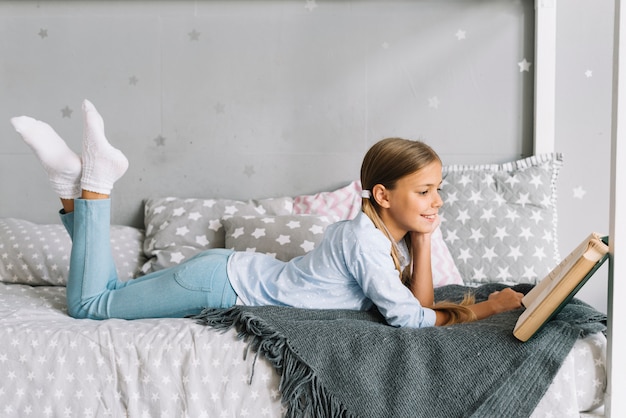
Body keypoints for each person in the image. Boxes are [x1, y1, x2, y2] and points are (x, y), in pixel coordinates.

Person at [10, 100, 523, 327]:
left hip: (224, 274)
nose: (438, 201)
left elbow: (419, 301)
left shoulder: (374, 233)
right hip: (220, 284)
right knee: (90, 308)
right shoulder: (364, 240)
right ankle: (95, 184)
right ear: (384, 195)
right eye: (427, 191)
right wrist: (485, 309)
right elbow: (409, 318)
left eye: (440, 190)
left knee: (110, 295)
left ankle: (68, 186)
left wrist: (425, 237)